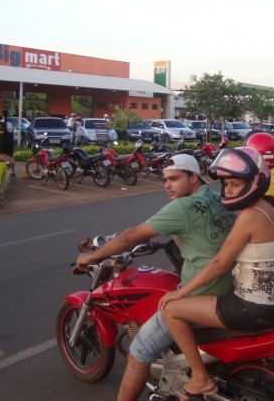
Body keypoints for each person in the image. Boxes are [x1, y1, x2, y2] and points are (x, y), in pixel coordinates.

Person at [75, 154, 236, 401]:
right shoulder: (219, 197)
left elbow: (131, 236)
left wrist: (91, 256)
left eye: (174, 178)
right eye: (165, 179)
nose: (167, 185)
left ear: (193, 178)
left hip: (202, 294)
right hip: (231, 287)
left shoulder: (183, 206)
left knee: (140, 348)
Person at [158, 147, 274, 400]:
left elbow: (220, 263)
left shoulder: (250, 216)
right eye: (227, 184)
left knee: (170, 310)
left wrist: (181, 292)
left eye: (235, 184)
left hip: (254, 308)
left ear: (254, 182)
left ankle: (200, 378)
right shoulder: (273, 208)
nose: (229, 190)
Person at [0, 109, 16, 176]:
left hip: (4, 140)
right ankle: (13, 172)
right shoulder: (11, 122)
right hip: (11, 140)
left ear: (2, 114)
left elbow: (2, 131)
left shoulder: (2, 121)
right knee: (11, 156)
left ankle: (7, 162)